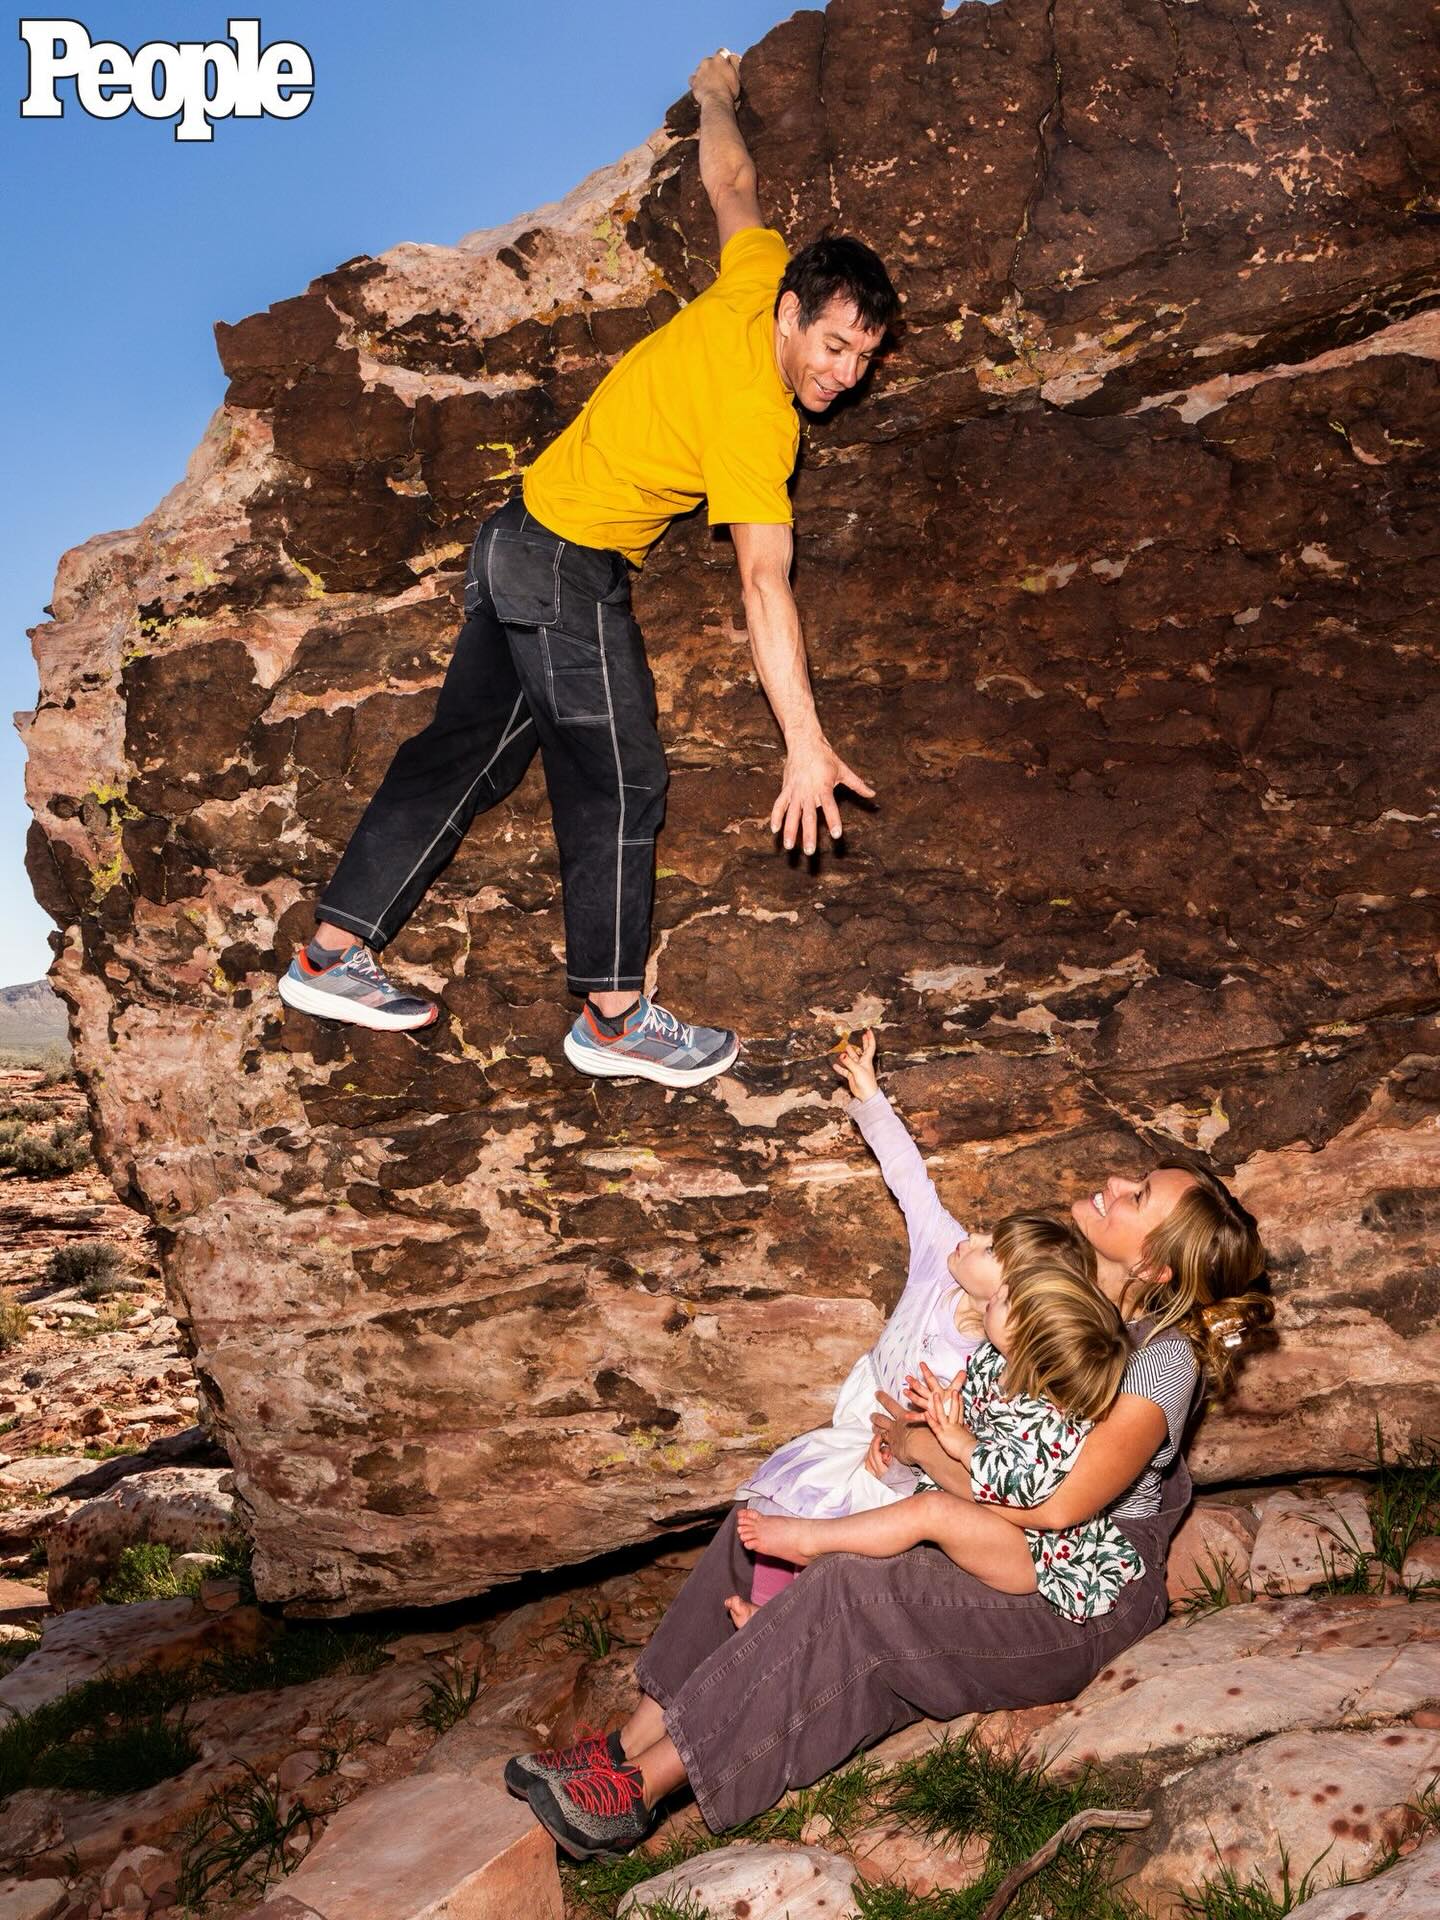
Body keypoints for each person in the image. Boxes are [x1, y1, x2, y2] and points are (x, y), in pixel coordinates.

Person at [277, 50, 898, 1089]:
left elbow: (731, 186)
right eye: (834, 346)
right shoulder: (760, 421)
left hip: (516, 538)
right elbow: (761, 582)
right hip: (561, 565)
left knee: (466, 758)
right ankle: (612, 1020)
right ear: (795, 315)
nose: (843, 374)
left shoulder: (757, 279)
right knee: (620, 774)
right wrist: (806, 744)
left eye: (864, 359)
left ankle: (330, 956)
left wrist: (713, 95)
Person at [506, 1090, 1269, 1859]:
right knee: (774, 1515)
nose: (1115, 1184)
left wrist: (915, 1448)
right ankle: (623, 1746)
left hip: (1071, 1595)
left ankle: (639, 1793)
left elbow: (1057, 1507)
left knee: (846, 1584)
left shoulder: (1160, 1360)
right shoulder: (1059, 1285)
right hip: (991, 1531)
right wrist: (903, 1445)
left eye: (1139, 1196)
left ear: (1153, 1263)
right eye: (1135, 1178)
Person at [736, 1235, 1148, 1624]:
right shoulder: (992, 1360)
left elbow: (1019, 1487)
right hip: (991, 1519)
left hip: (1036, 1554)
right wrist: (938, 1416)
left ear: (1026, 1340)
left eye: (1006, 1299)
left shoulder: (1046, 1416)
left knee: (927, 1513)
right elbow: (971, 1425)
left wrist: (961, 1442)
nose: (998, 1294)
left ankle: (811, 1542)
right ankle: (773, 1612)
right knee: (855, 1488)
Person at [727, 1029, 988, 1620]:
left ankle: (797, 1621)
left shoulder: (994, 1339)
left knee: (851, 1520)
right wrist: (868, 1093)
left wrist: (903, 1442)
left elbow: (971, 1416)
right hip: (862, 1407)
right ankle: (768, 1614)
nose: (974, 1235)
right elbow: (909, 1177)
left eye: (990, 1248)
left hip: (904, 1449)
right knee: (804, 1487)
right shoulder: (941, 1253)